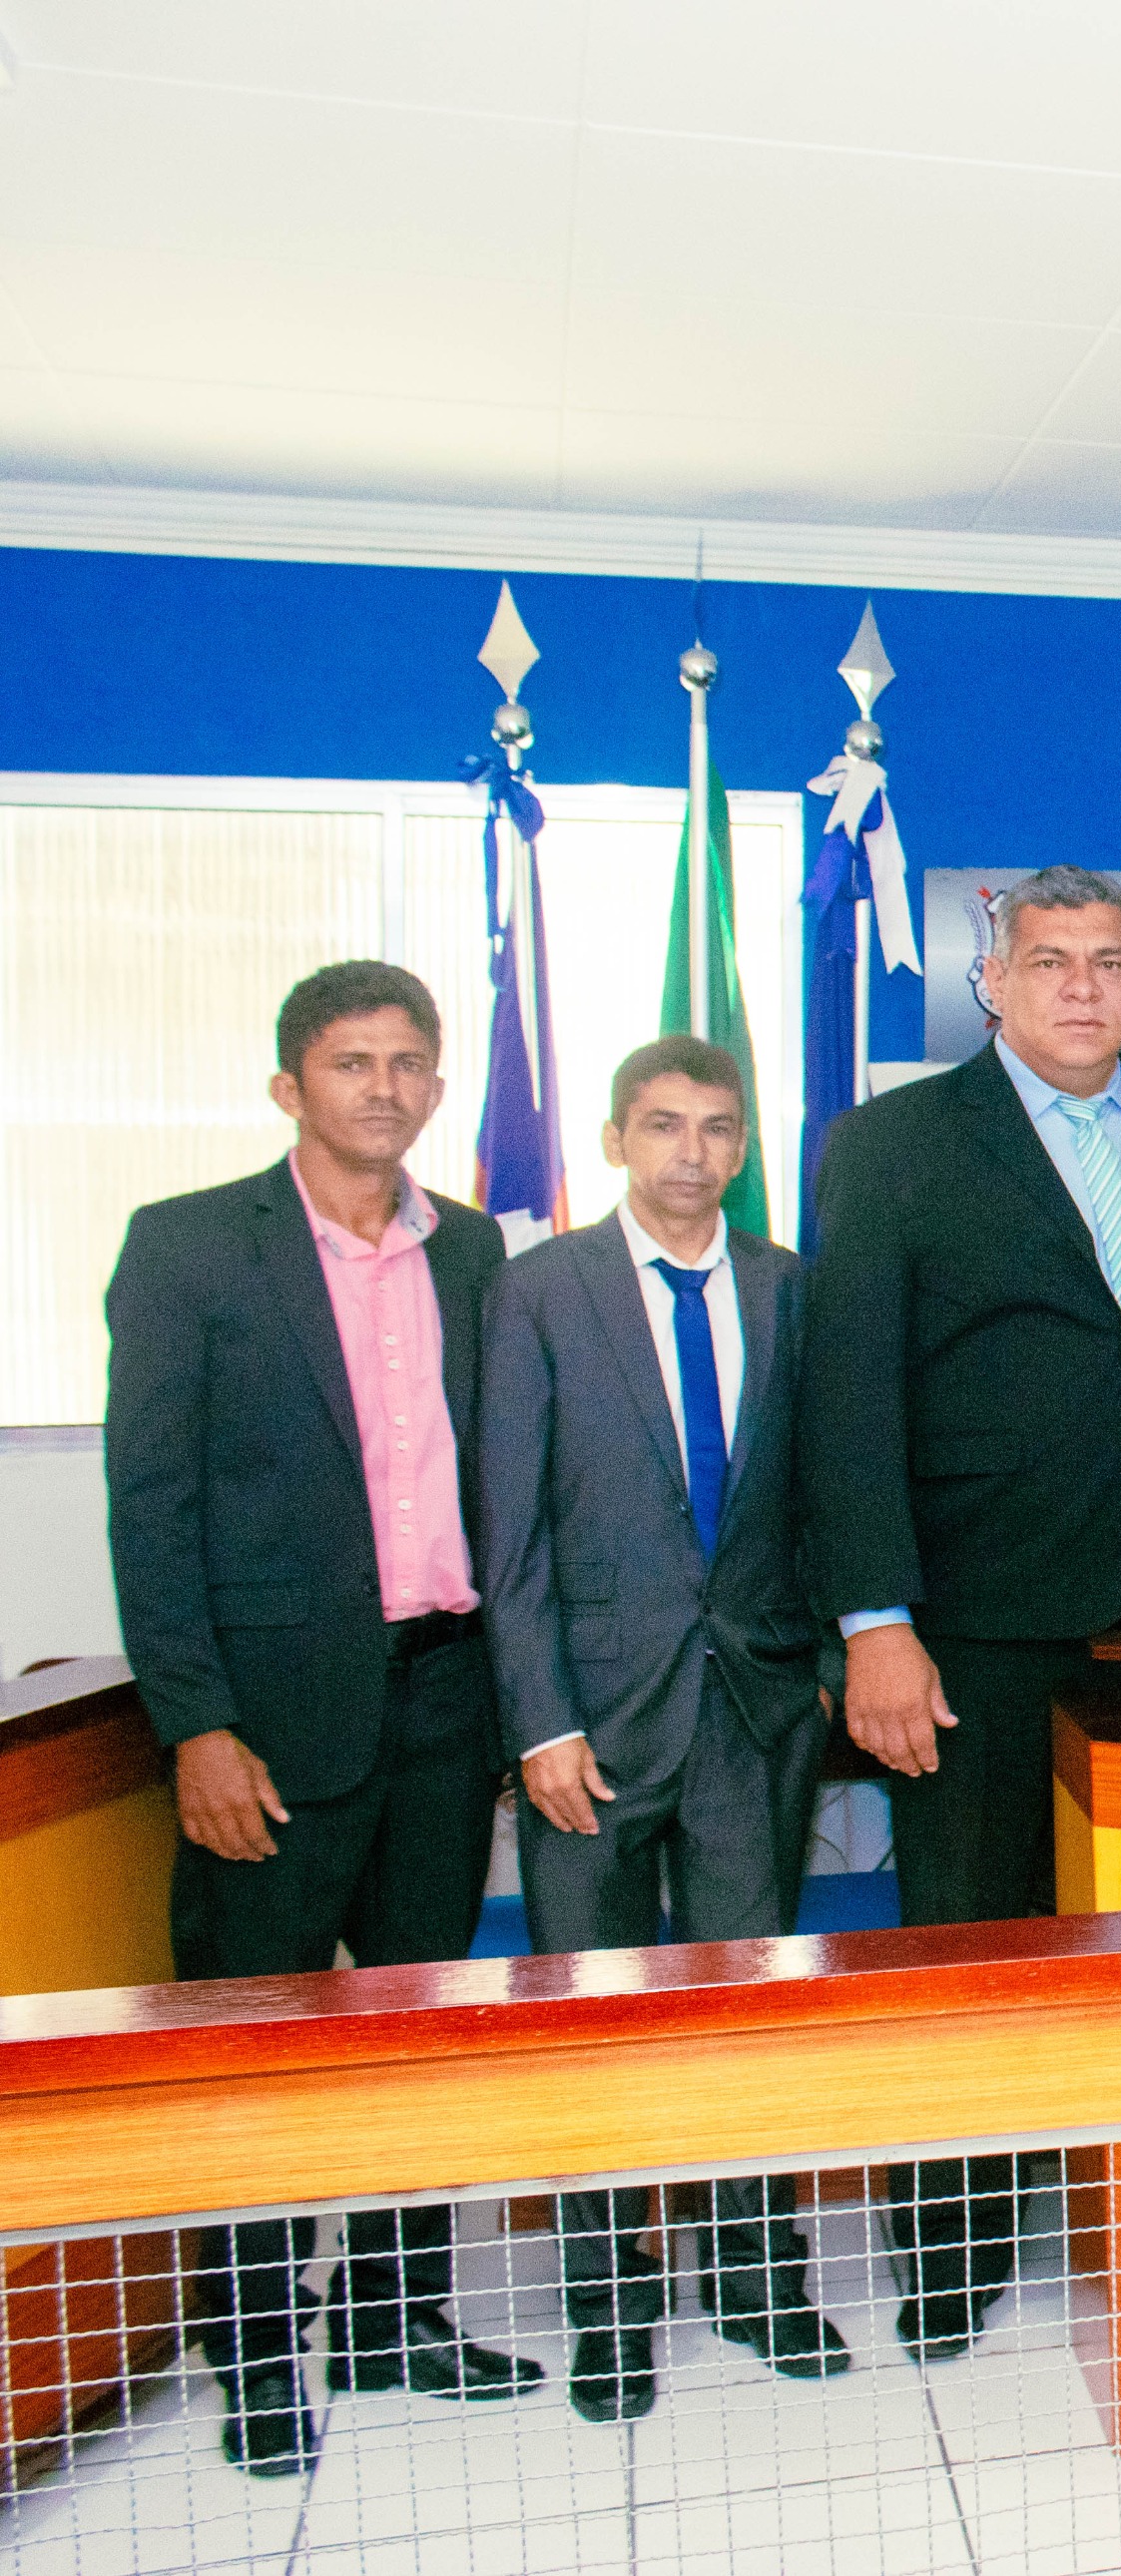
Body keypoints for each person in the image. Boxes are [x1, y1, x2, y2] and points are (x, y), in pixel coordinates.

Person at [803, 865, 1121, 2361]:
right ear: (991, 981)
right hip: (971, 1615)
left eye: (1109, 961)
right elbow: (846, 1394)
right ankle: (950, 2249)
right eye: (1050, 960)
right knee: (970, 1935)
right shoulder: (893, 1144)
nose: (1081, 986)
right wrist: (873, 1619)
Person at [103, 960, 539, 2475]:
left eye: (409, 1062)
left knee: (417, 2027)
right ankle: (251, 2352)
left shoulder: (472, 1248)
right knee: (255, 2043)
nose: (384, 1088)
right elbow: (150, 1508)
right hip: (271, 1726)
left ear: (437, 1086)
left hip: (444, 1698)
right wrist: (195, 1725)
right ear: (291, 1086)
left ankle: (392, 2312)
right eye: (353, 1063)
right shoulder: (189, 1247)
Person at [478, 1037, 849, 2422]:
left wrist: (821, 1661)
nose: (692, 1152)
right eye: (662, 1125)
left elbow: (822, 1490)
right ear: (615, 1140)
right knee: (592, 2017)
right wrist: (539, 1722)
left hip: (752, 1708)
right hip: (591, 1724)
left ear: (743, 1147)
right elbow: (509, 1529)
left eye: (716, 1128)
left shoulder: (788, 1287)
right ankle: (608, 2301)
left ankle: (756, 2276)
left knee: (747, 2010)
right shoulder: (539, 1292)